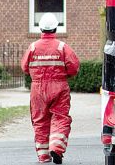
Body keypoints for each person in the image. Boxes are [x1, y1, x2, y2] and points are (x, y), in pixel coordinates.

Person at [22, 14, 80, 164]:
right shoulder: (62, 47)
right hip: (59, 87)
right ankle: (56, 147)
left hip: (38, 89)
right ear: (55, 28)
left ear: (40, 28)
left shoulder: (33, 47)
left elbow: (24, 67)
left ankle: (43, 156)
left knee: (40, 121)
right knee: (60, 118)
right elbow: (74, 67)